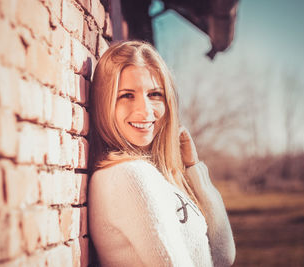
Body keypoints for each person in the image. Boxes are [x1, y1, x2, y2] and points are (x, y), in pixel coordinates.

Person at [88, 40, 235, 267]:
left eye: (154, 94)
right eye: (127, 95)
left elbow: (222, 256)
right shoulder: (128, 175)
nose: (145, 110)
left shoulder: (153, 173)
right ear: (105, 103)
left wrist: (193, 168)